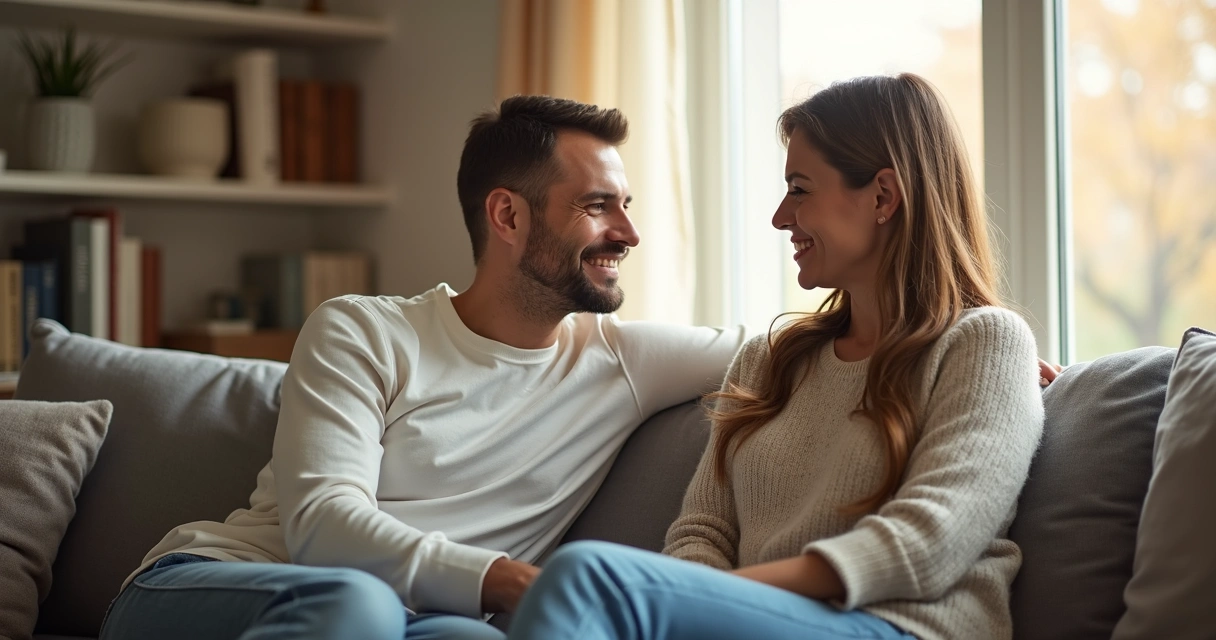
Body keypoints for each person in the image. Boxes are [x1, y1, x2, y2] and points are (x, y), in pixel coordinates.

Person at [98, 96, 751, 640]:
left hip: (421, 618)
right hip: (214, 587)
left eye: (627, 205)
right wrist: (513, 580)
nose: (628, 233)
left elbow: (801, 342)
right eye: (596, 205)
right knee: (355, 605)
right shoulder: (365, 330)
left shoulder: (622, 360)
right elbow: (323, 525)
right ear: (508, 216)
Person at [506, 74, 1047, 640]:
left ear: (883, 196)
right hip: (758, 626)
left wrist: (710, 599)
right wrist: (702, 602)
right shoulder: (767, 360)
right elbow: (701, 533)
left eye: (800, 189)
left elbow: (929, 543)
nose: (780, 217)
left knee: (585, 579)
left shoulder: (984, 344)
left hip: (899, 627)